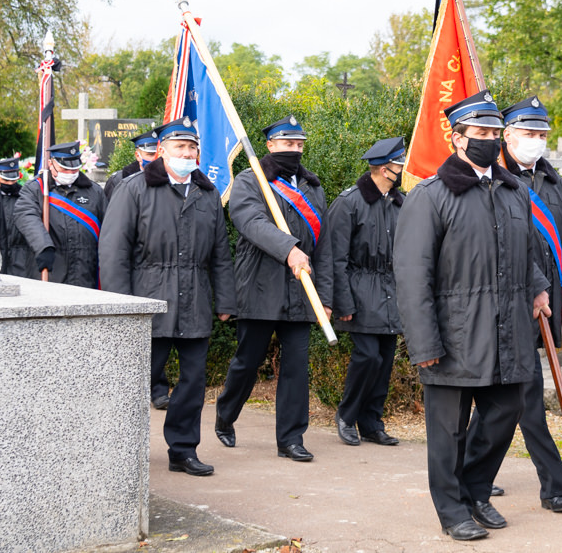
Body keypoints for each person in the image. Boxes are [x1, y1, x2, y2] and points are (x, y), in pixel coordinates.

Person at [394, 90, 551, 541]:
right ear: (457, 138)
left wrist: (538, 287)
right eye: (480, 132)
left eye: (494, 133)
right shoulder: (430, 195)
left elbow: (524, 251)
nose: (489, 139)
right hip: (453, 333)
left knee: (506, 411)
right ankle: (452, 509)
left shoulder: (512, 190)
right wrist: (423, 343)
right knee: (448, 431)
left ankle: (475, 490)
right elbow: (411, 274)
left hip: (507, 330)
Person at [472, 96, 562, 512]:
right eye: (529, 134)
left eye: (543, 134)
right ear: (508, 136)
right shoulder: (494, 179)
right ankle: (554, 486)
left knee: (501, 400)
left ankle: (469, 475)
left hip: (543, 305)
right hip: (504, 305)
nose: (537, 142)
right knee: (526, 398)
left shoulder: (553, 182)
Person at [99, 116, 236, 477]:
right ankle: (117, 451)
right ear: (162, 150)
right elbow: (114, 250)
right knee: (135, 380)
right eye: (180, 146)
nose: (187, 153)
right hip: (148, 301)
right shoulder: (134, 189)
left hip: (194, 302)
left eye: (192, 147)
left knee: (192, 383)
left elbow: (220, 253)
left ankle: (182, 450)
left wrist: (225, 302)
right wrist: (121, 305)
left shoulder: (207, 194)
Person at [214, 115, 332, 462]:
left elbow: (322, 247)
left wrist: (324, 298)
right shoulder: (251, 181)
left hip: (302, 290)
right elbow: (251, 222)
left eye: (298, 144)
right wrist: (290, 250)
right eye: (286, 144)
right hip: (260, 286)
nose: (293, 149)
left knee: (296, 367)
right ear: (269, 145)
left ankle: (291, 439)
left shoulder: (312, 186)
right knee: (247, 362)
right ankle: (225, 413)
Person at [327, 137, 406, 447]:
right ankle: (347, 416)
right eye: (399, 163)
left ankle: (372, 422)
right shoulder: (349, 203)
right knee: (368, 356)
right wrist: (342, 302)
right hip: (361, 292)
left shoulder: (401, 202)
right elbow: (335, 259)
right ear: (384, 169)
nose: (402, 169)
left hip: (390, 292)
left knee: (385, 359)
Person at [14, 142, 106, 288]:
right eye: (64, 169)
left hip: (85, 275)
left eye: (74, 169)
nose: (70, 174)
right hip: (51, 273)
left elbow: (106, 229)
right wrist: (43, 246)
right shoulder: (36, 189)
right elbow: (26, 216)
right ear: (51, 164)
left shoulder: (95, 192)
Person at [0, 156, 31, 276]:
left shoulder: (24, 197)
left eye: (13, 180)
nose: (10, 183)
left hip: (20, 256)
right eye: (6, 180)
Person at [104, 129, 157, 201]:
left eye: (158, 154)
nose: (155, 158)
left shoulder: (170, 178)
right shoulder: (118, 179)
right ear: (138, 156)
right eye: (150, 154)